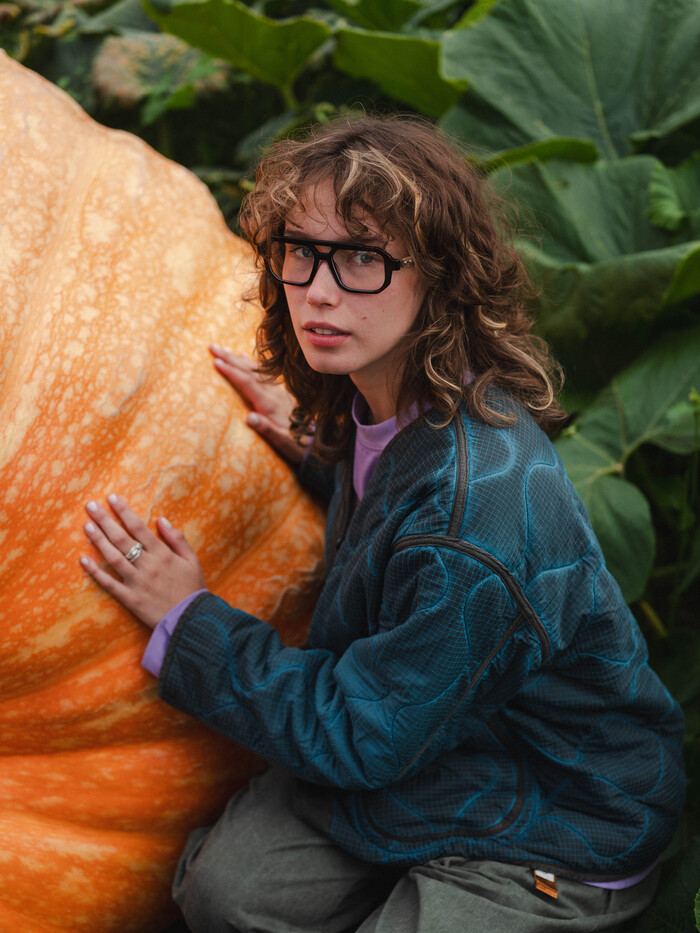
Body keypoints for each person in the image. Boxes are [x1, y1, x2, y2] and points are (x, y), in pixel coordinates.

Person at [80, 115, 685, 933]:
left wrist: (190, 623)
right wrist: (323, 449)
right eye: (301, 250)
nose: (320, 290)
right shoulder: (394, 403)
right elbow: (398, 503)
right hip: (434, 751)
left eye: (363, 257)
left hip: (556, 814)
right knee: (227, 892)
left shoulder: (476, 514)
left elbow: (362, 734)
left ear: (440, 275)